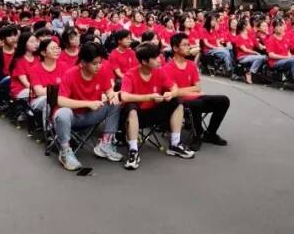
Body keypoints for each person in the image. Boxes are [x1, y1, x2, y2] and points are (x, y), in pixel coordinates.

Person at [120, 43, 195, 169]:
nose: (159, 60)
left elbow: (175, 88)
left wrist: (170, 94)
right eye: (155, 58)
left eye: (159, 57)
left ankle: (175, 144)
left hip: (155, 112)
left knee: (177, 101)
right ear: (144, 61)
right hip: (137, 116)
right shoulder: (130, 74)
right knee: (131, 107)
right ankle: (133, 151)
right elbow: (124, 97)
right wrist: (149, 97)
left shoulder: (159, 72)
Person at [53, 42, 123, 171]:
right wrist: (88, 103)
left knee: (115, 103)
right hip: (72, 117)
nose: (98, 66)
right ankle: (65, 151)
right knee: (62, 113)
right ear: (83, 62)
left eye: (100, 62)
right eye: (94, 63)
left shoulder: (102, 72)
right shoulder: (70, 74)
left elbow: (109, 92)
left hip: (90, 115)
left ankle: (105, 143)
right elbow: (61, 101)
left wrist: (113, 95)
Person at [163, 33, 230, 151]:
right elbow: (175, 92)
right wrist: (192, 92)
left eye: (188, 44)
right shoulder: (167, 68)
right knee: (197, 103)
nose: (189, 47)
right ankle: (197, 135)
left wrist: (191, 92)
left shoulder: (191, 65)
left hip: (195, 98)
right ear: (175, 48)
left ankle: (210, 133)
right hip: (178, 103)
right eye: (184, 45)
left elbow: (198, 87)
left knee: (223, 100)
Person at [265, 19, 294, 91]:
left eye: (281, 25)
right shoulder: (271, 39)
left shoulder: (285, 38)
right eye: (277, 26)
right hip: (275, 62)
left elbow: (288, 51)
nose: (279, 28)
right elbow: (271, 55)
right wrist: (287, 57)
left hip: (285, 60)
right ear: (274, 28)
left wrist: (290, 56)